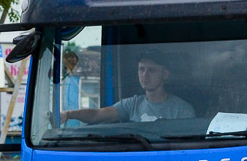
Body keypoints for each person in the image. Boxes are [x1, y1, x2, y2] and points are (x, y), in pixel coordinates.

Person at [64, 49, 194, 124]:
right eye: (141, 69)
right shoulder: (132, 104)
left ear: (165, 74)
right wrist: (69, 114)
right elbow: (97, 115)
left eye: (152, 70)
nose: (145, 75)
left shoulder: (183, 110)